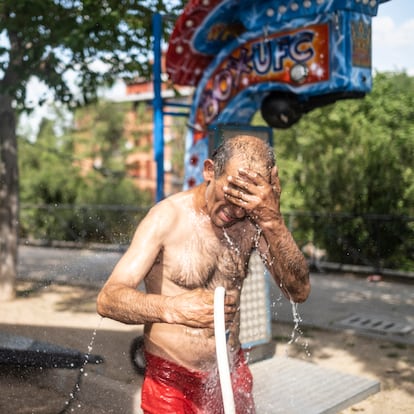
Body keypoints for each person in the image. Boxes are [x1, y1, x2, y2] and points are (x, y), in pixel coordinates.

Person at [96, 135, 310, 414]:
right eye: (230, 194)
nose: (235, 211)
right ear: (210, 170)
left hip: (230, 372)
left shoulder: (255, 224)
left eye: (246, 202)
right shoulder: (167, 218)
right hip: (171, 380)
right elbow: (108, 299)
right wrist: (172, 309)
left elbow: (299, 291)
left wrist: (273, 221)